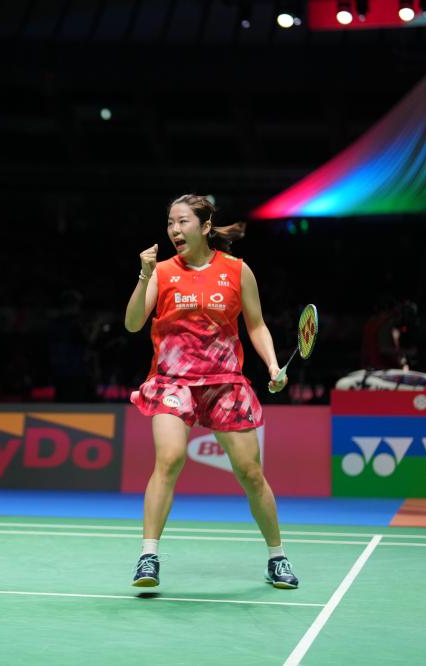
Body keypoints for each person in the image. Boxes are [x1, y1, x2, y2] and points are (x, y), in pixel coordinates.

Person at [123, 194, 298, 591]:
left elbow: (256, 325)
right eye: (170, 222)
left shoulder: (237, 270)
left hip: (224, 382)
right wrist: (144, 276)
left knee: (250, 473)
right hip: (173, 381)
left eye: (182, 222)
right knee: (169, 459)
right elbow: (133, 324)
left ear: (204, 227)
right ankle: (148, 556)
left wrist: (272, 365)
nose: (174, 230)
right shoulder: (162, 272)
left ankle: (277, 557)